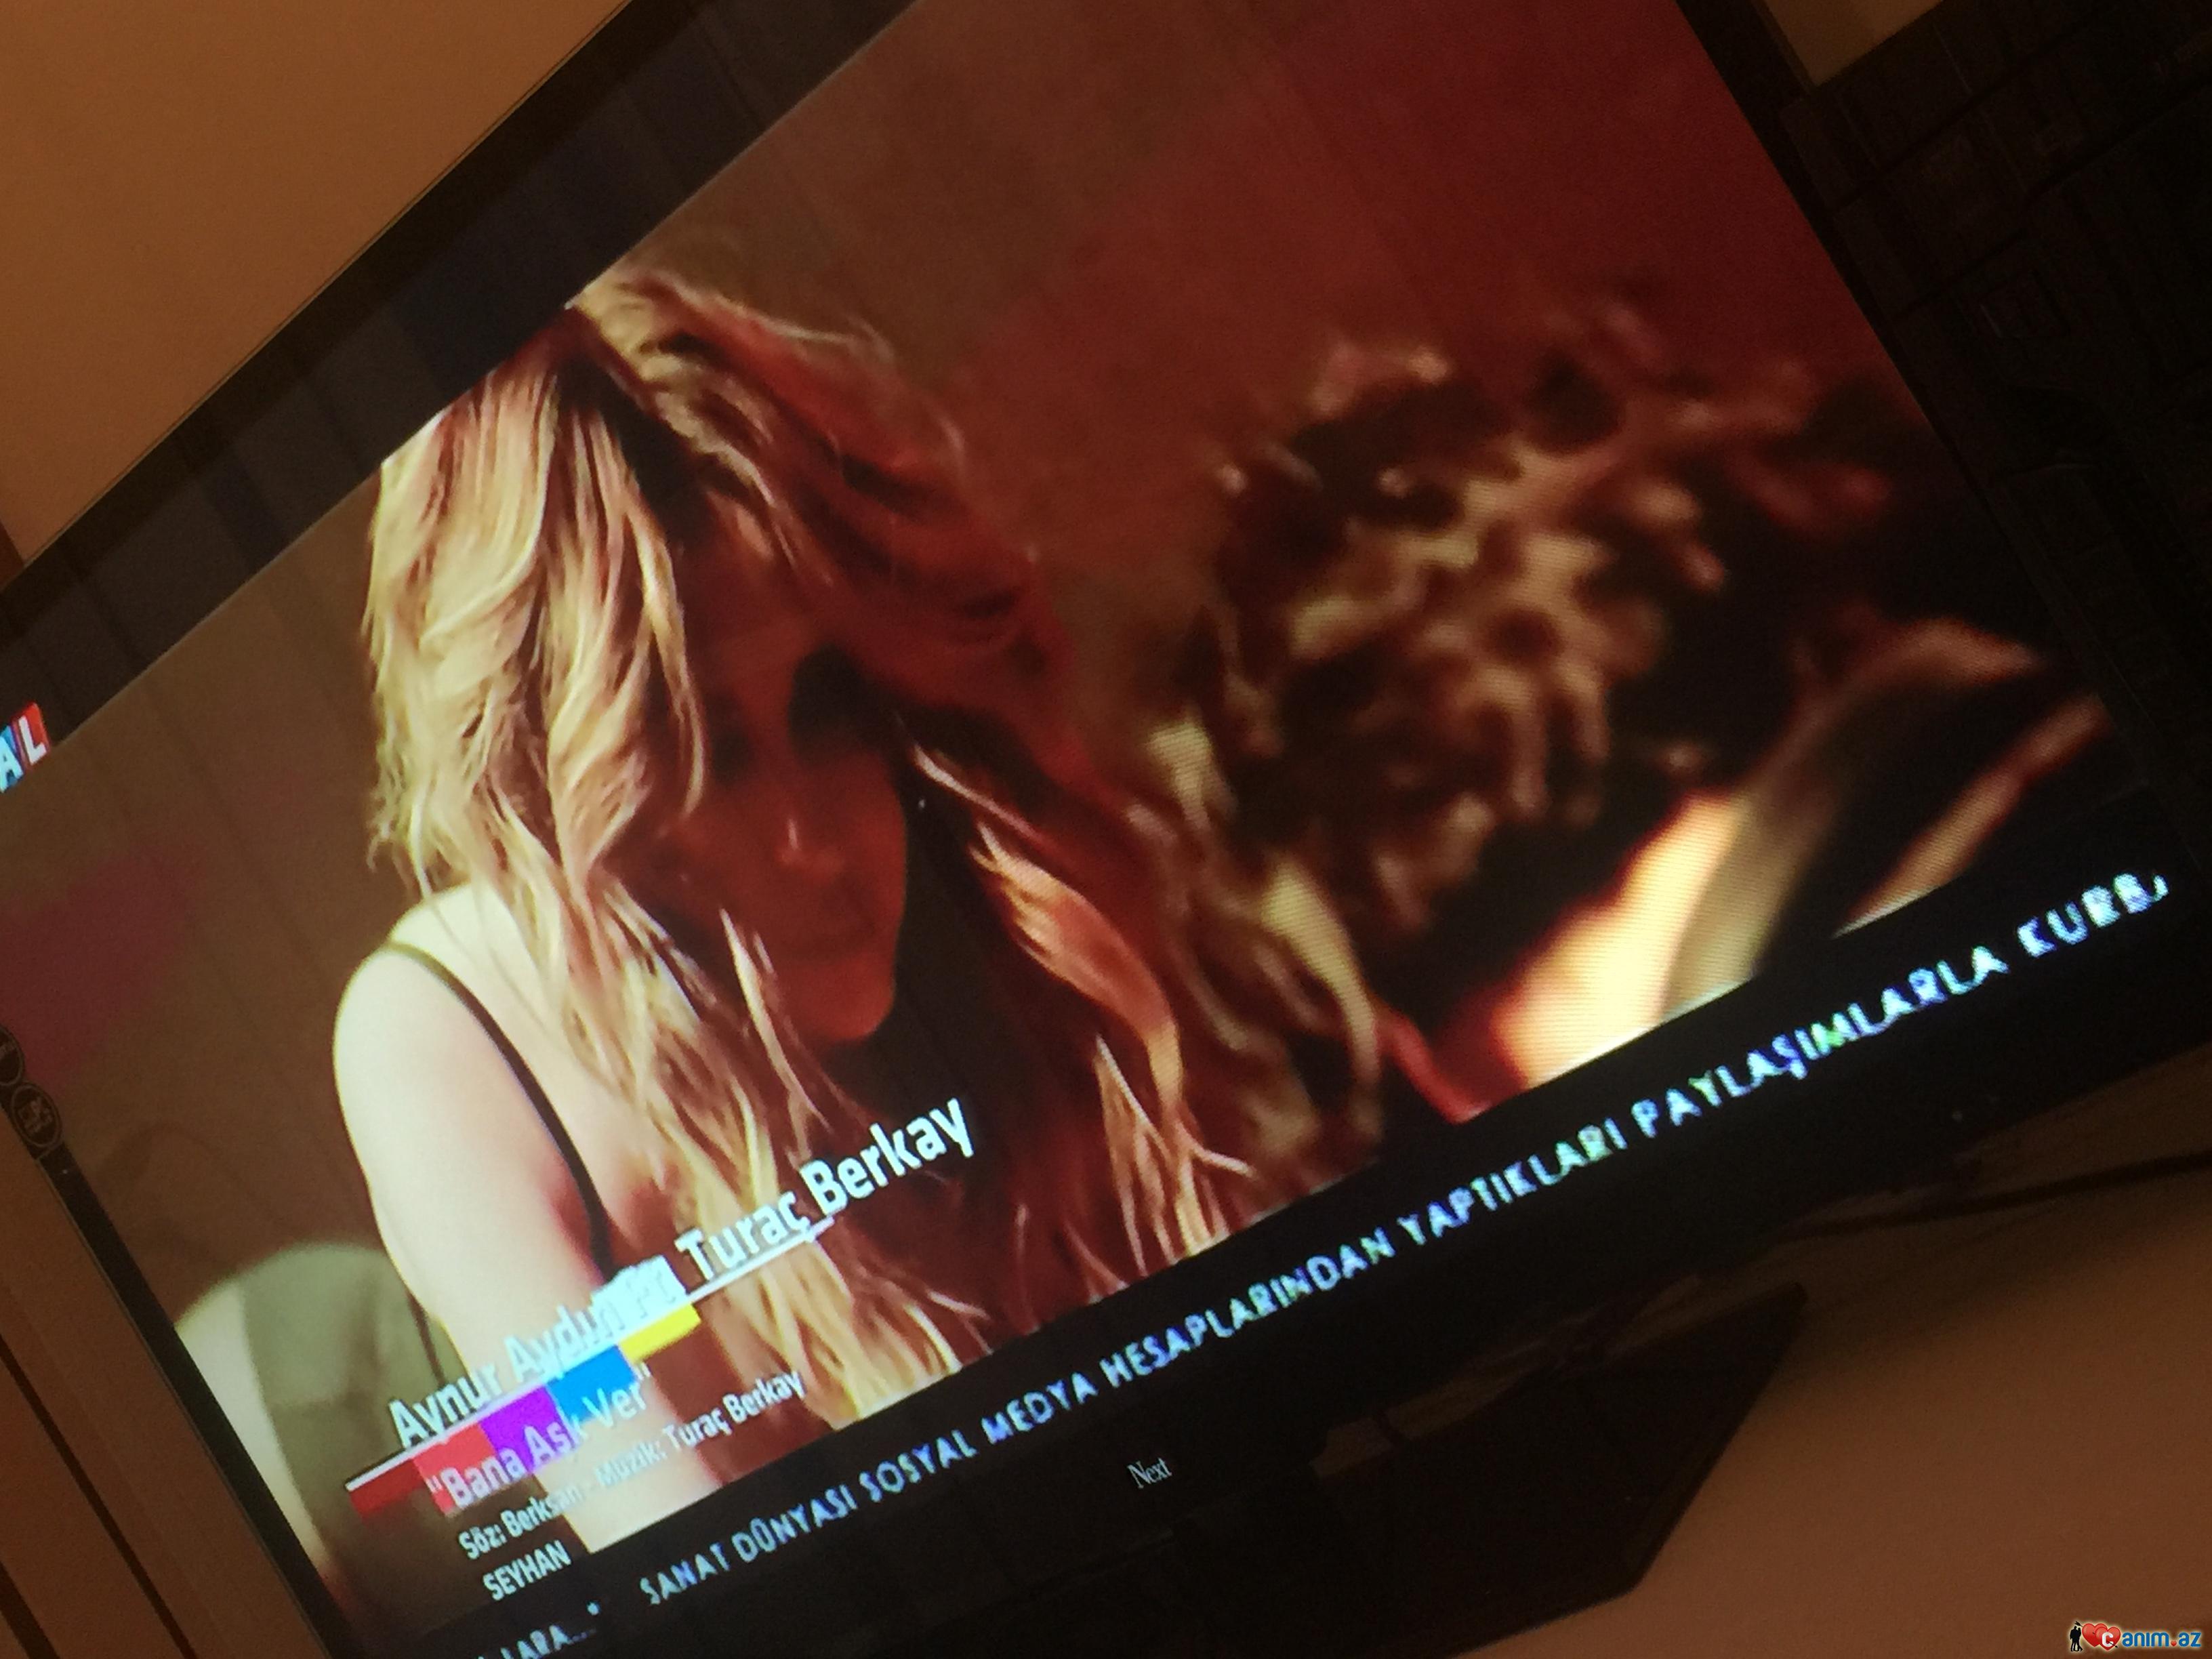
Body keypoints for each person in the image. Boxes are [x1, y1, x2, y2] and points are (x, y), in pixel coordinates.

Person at [331, 270, 1402, 1549]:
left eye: (827, 710)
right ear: (572, 805)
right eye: (713, 756)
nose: (811, 845)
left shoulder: (995, 877)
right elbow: (674, 1562)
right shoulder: (444, 1036)